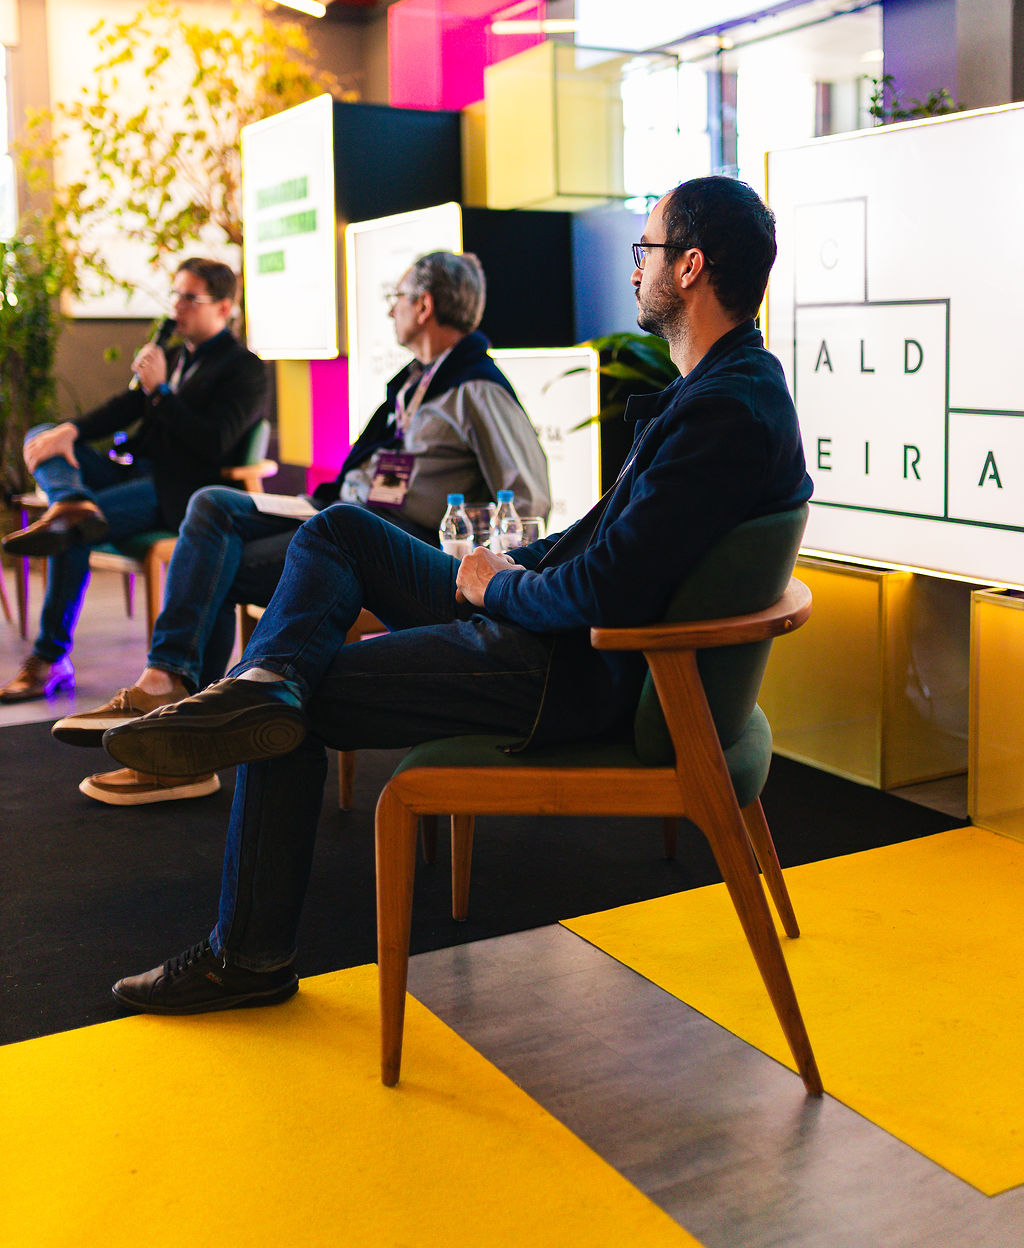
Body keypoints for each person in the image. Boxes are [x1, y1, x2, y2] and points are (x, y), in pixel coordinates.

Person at [102, 175, 812, 1014]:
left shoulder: (726, 412)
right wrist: (502, 569)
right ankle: (260, 683)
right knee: (340, 533)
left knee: (299, 702)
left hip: (564, 665)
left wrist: (504, 589)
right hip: (546, 627)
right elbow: (602, 546)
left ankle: (246, 950)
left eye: (646, 250)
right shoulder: (723, 389)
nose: (634, 269)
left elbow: (611, 590)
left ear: (689, 267)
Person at [55, 249, 550, 805]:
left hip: (390, 541)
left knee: (212, 562)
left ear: (424, 306)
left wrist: (477, 564)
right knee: (211, 505)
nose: (390, 310)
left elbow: (526, 497)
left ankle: (178, 732)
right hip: (333, 512)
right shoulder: (413, 384)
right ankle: (170, 690)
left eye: (397, 298)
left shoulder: (476, 387)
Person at [1, 258, 266, 705]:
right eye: (176, 295)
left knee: (75, 532)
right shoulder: (176, 356)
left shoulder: (245, 368)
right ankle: (71, 501)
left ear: (224, 308)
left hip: (180, 491)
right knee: (44, 437)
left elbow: (214, 441)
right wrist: (71, 431)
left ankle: (49, 659)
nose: (176, 307)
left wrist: (161, 392)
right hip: (134, 472)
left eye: (190, 298)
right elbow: (124, 408)